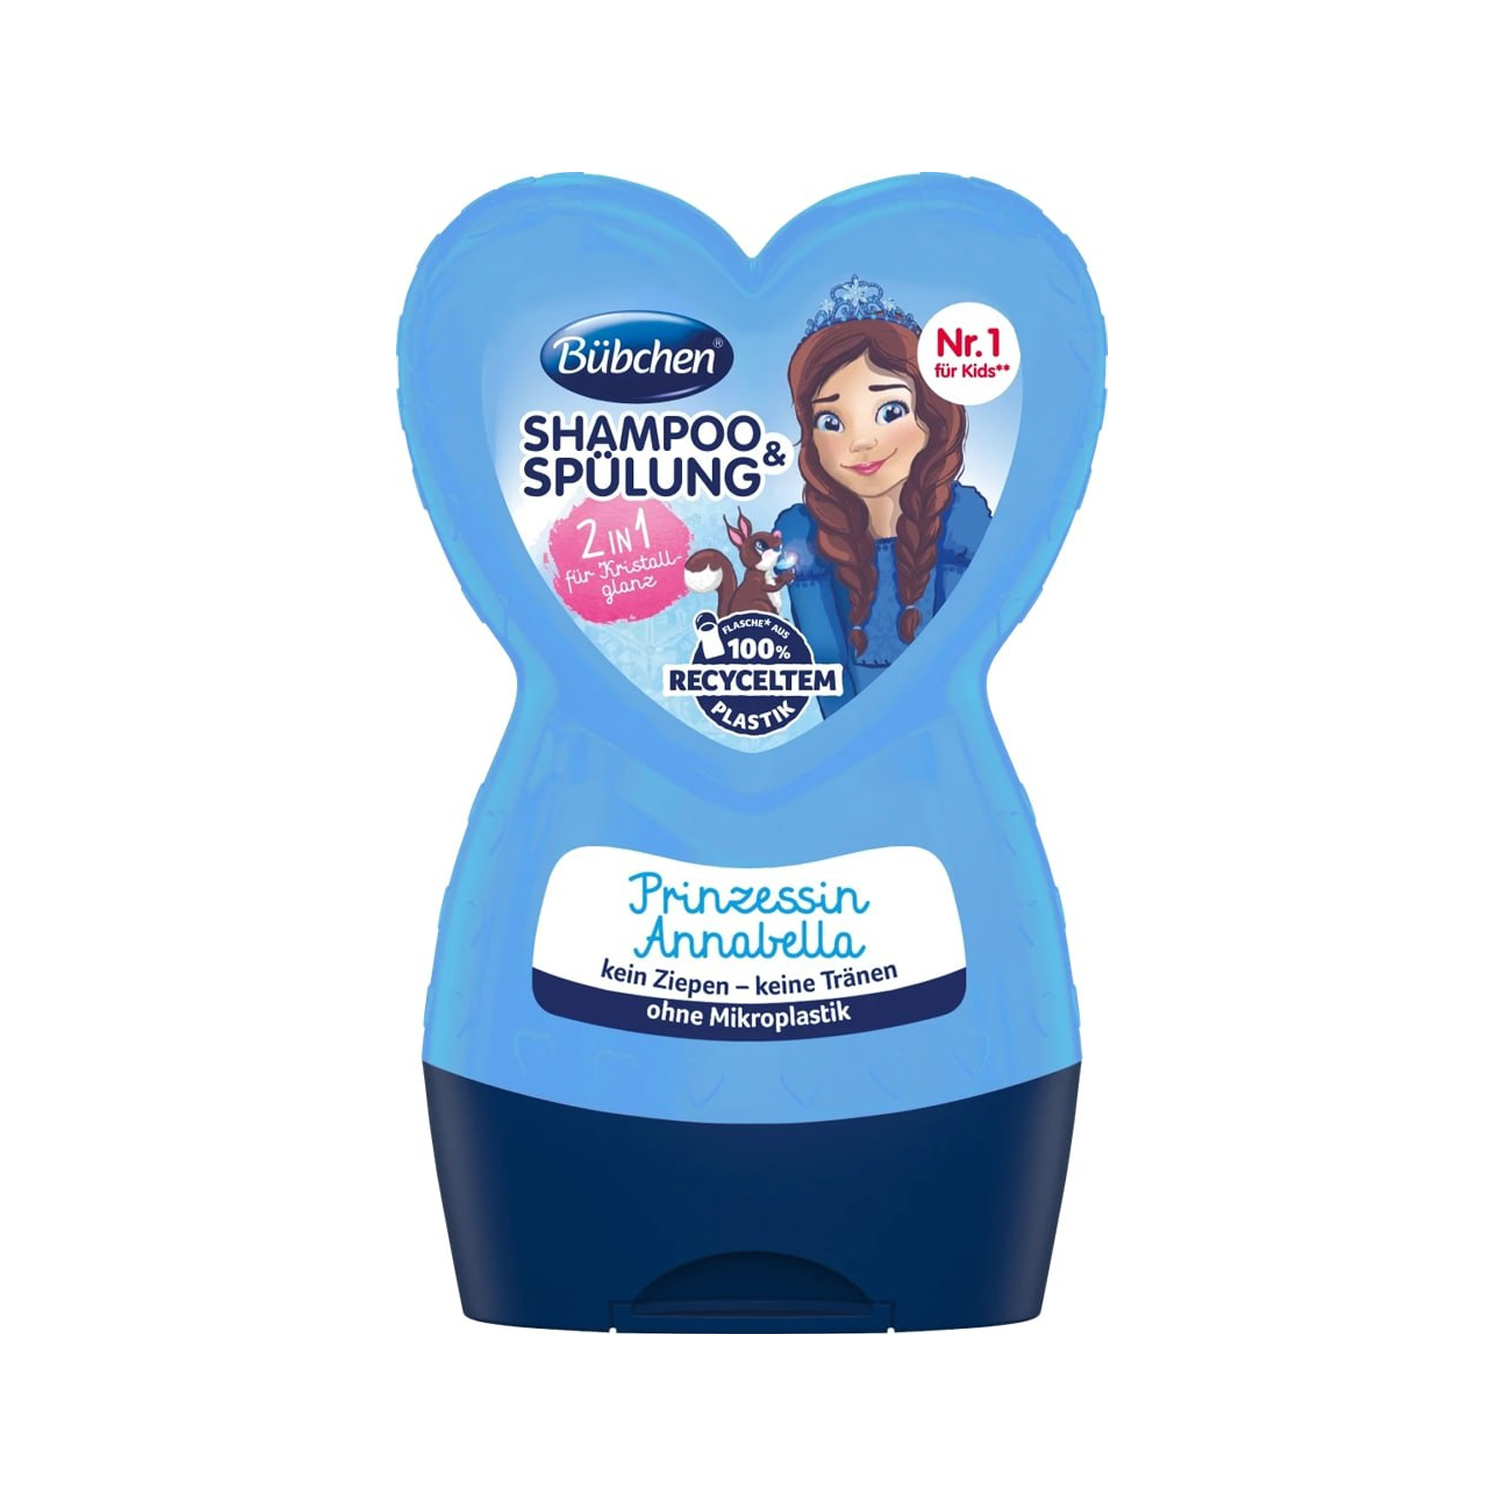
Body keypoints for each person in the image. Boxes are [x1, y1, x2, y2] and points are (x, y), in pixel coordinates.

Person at [776, 276, 991, 716]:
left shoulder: (960, 520)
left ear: (932, 417)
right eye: (831, 422)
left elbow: (958, 654)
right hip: (847, 736)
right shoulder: (802, 534)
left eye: (889, 411)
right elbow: (826, 668)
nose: (861, 442)